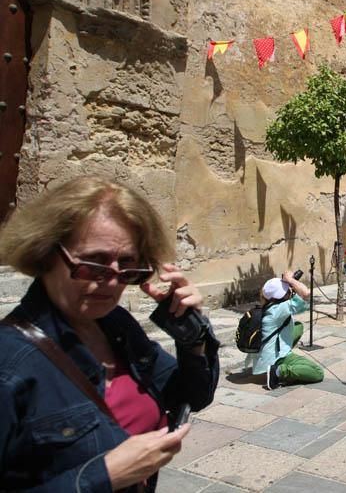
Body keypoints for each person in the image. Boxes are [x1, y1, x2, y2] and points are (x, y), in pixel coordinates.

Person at [0, 176, 220, 492]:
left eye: (128, 267)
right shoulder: (9, 365)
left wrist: (190, 333)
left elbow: (191, 395)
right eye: (94, 263)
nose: (113, 281)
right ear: (46, 252)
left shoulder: (116, 325)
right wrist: (106, 475)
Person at [246, 271, 323, 390]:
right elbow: (306, 293)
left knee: (298, 326)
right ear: (282, 296)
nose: (290, 292)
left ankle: (279, 360)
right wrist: (291, 280)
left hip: (262, 356)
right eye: (287, 291)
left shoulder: (268, 305)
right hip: (274, 358)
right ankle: (278, 371)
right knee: (317, 372)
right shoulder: (279, 309)